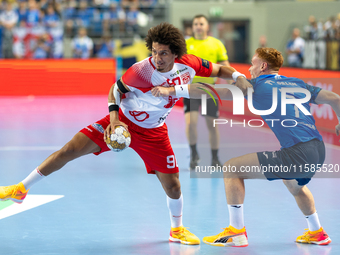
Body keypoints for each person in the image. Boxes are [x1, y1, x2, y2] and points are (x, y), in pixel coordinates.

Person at [0, 22, 248, 245]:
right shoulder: (141, 71)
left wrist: (237, 76)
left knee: (172, 185)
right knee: (69, 150)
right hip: (123, 122)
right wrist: (115, 121)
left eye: (163, 53)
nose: (157, 57)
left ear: (175, 53)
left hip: (154, 132)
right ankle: (21, 189)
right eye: (153, 51)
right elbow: (114, 91)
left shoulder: (189, 65)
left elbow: (219, 70)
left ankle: (177, 230)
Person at [189, 47, 339, 247]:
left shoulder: (255, 85)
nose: (250, 69)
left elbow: (214, 92)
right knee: (294, 184)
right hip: (318, 149)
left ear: (263, 66)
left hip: (298, 152)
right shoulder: (296, 83)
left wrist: (172, 90)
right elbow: (335, 99)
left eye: (253, 63)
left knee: (232, 168)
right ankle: (317, 232)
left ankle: (236, 232)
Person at [184, 14, 230, 170]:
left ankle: (215, 158)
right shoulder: (185, 44)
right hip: (190, 90)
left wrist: (233, 81)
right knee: (191, 123)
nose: (198, 26)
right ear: (193, 26)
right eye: (196, 23)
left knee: (212, 125)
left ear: (207, 26)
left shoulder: (216, 44)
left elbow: (224, 65)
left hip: (209, 90)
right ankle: (194, 154)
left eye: (201, 23)